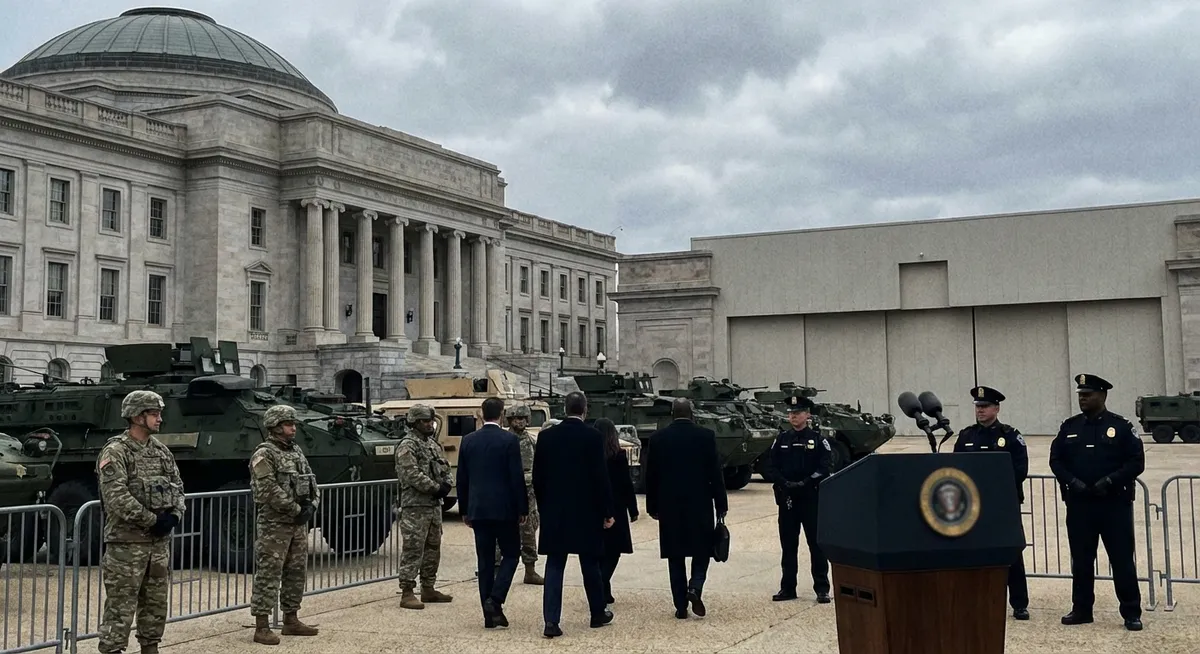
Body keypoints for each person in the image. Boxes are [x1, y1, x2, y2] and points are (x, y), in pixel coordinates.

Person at [1049, 373, 1145, 631]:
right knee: (1081, 560)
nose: (1083, 398)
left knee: (1122, 559)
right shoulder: (1070, 427)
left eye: (1088, 394)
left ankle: (1131, 612)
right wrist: (1072, 482)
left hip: (1113, 505)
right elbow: (1055, 460)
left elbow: (1136, 462)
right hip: (1080, 505)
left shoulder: (1121, 426)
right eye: (1081, 394)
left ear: (1102, 396)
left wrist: (1110, 481)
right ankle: (1081, 609)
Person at [95, 390, 185, 654]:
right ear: (136, 416)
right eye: (154, 414)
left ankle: (150, 647)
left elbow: (178, 487)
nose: (159, 419)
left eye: (159, 414)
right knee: (120, 606)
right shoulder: (116, 451)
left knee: (156, 603)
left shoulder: (161, 451)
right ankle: (112, 650)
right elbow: (116, 496)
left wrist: (175, 515)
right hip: (126, 545)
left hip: (157, 545)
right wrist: (152, 520)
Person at [532, 391, 615, 638]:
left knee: (555, 565)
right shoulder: (593, 437)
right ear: (585, 410)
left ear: (564, 409)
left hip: (555, 511)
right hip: (586, 511)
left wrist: (544, 505)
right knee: (589, 563)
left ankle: (551, 621)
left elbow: (538, 478)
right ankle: (597, 612)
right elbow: (601, 478)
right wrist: (606, 510)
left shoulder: (546, 437)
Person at [643, 398, 728, 619]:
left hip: (669, 505)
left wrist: (652, 506)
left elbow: (650, 476)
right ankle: (695, 587)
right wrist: (721, 504)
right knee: (702, 550)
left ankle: (680, 605)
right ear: (691, 413)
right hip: (699, 504)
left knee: (675, 555)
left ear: (672, 413)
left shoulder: (658, 439)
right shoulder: (706, 436)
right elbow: (715, 474)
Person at [952, 385, 1030, 620]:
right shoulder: (966, 436)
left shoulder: (1009, 436)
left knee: (1011, 553)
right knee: (973, 553)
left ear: (996, 408)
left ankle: (1019, 603)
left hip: (1002, 506)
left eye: (985, 407)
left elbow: (1020, 470)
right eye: (978, 407)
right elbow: (955, 468)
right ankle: (976, 599)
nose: (980, 411)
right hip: (973, 507)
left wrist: (994, 490)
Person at [248, 404, 320, 644]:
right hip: (274, 525)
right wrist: (296, 509)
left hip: (297, 524)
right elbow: (267, 488)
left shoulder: (296, 451)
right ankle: (262, 626)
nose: (293, 428)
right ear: (276, 427)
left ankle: (291, 619)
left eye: (293, 424)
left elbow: (311, 480)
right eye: (289, 424)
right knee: (269, 574)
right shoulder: (264, 454)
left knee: (296, 572)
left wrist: (312, 504)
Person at [457, 397, 529, 628]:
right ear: (501, 414)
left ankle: (489, 615)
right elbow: (516, 477)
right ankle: (495, 599)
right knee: (511, 554)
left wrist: (465, 508)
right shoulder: (509, 440)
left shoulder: (468, 441)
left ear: (481, 414)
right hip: (505, 509)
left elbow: (462, 478)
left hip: (478, 509)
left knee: (485, 560)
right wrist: (522, 507)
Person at [762, 392, 832, 603]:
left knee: (815, 545)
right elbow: (771, 466)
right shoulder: (782, 439)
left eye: (798, 412)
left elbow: (825, 466)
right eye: (791, 413)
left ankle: (821, 588)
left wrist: (807, 481)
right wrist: (784, 482)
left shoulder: (817, 440)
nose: (793, 416)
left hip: (810, 498)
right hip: (788, 499)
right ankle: (788, 587)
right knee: (788, 545)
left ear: (807, 415)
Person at [395, 404, 455, 610]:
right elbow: (411, 474)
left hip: (433, 506)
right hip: (415, 506)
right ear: (414, 423)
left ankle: (428, 587)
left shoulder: (432, 445)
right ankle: (407, 591)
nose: (430, 424)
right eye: (425, 421)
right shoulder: (407, 446)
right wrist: (435, 488)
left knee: (433, 547)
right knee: (413, 548)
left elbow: (445, 467)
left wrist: (447, 484)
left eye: (431, 421)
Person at [492, 403, 544, 585]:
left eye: (522, 418)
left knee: (529, 532)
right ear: (509, 420)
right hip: (507, 493)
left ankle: (530, 570)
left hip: (528, 495)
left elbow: (539, 464)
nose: (519, 422)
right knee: (501, 532)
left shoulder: (531, 441)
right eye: (515, 418)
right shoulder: (503, 440)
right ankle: (496, 569)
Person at [595, 418, 639, 606]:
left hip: (595, 506)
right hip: (617, 506)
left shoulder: (591, 454)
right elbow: (626, 484)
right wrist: (633, 508)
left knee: (599, 551)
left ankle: (603, 587)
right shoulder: (618, 455)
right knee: (614, 551)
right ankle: (602, 583)